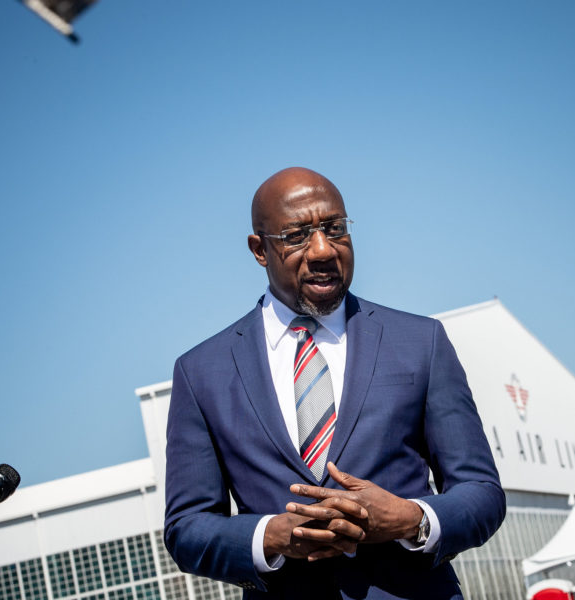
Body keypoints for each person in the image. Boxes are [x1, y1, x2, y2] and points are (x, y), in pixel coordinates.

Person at [164, 167, 505, 599]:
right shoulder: (201, 373)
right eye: (297, 236)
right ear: (259, 250)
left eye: (336, 229)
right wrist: (272, 536)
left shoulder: (422, 342)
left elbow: (482, 493)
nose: (323, 249)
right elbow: (186, 528)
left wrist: (410, 518)